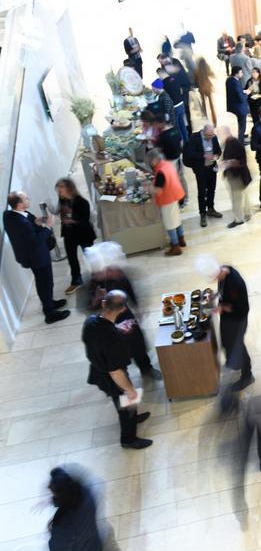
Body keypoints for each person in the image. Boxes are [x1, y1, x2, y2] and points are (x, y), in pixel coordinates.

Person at [82, 290, 153, 449]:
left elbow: (98, 340)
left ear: (103, 303)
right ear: (123, 309)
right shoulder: (112, 339)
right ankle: (128, 439)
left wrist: (117, 331)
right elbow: (116, 372)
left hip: (97, 369)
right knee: (126, 406)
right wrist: (129, 390)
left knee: (126, 404)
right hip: (111, 377)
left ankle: (133, 418)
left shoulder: (90, 321)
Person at [83, 251, 162, 380]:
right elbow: (86, 308)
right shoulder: (91, 284)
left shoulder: (117, 275)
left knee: (137, 344)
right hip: (105, 323)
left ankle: (146, 368)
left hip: (125, 316)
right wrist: (96, 299)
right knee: (115, 351)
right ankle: (122, 377)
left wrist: (138, 307)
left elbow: (130, 291)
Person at [4, 192, 70, 323]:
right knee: (45, 283)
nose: (28, 199)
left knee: (43, 283)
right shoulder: (21, 222)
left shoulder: (8, 215)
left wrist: (36, 222)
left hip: (31, 256)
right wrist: (47, 227)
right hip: (37, 257)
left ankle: (49, 303)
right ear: (19, 204)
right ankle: (50, 314)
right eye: (26, 199)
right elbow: (35, 241)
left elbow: (25, 230)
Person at [197, 257, 254, 391]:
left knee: (238, 346)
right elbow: (223, 288)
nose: (216, 280)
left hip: (238, 319)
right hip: (228, 317)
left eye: (214, 278)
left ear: (217, 273)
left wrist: (221, 308)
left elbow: (240, 308)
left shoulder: (236, 284)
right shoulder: (224, 269)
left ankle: (247, 375)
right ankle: (235, 363)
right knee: (226, 342)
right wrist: (216, 295)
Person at [53, 178, 96, 294]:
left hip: (84, 234)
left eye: (61, 187)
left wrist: (72, 221)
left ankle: (97, 279)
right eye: (58, 188)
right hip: (69, 235)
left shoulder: (81, 202)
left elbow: (85, 220)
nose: (59, 190)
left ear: (69, 188)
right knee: (72, 259)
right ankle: (76, 281)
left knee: (90, 257)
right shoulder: (62, 201)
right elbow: (62, 214)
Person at [46, 467, 102, 551]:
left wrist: (52, 530)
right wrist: (54, 500)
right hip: (93, 547)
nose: (48, 486)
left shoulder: (63, 526)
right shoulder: (86, 494)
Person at [183, 124, 222, 227]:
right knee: (202, 191)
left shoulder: (214, 138)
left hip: (212, 168)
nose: (210, 137)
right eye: (208, 135)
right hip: (201, 169)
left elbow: (218, 150)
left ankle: (211, 208)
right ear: (203, 132)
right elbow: (190, 154)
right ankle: (202, 214)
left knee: (211, 189)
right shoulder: (194, 138)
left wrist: (217, 155)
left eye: (212, 135)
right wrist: (203, 155)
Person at [148, 150, 185, 256]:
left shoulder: (160, 172)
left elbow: (158, 190)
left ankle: (175, 246)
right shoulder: (167, 164)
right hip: (177, 194)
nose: (150, 163)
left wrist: (148, 188)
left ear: (155, 160)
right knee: (177, 219)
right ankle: (181, 239)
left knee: (170, 223)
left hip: (168, 199)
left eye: (150, 161)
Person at [153, 112, 187, 208]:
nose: (155, 126)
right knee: (181, 178)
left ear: (161, 123)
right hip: (179, 158)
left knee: (173, 181)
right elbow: (181, 142)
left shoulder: (162, 136)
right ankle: (184, 199)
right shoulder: (174, 129)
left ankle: (179, 201)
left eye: (156, 124)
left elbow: (159, 151)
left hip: (170, 162)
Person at [221, 131, 252, 228]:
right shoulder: (227, 142)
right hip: (235, 175)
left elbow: (243, 161)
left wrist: (232, 163)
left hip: (238, 176)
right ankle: (247, 213)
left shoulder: (238, 145)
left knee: (236, 199)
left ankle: (238, 219)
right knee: (243, 195)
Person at [226, 67, 250, 144]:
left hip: (232, 106)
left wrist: (243, 91)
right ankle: (240, 141)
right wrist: (247, 94)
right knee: (242, 126)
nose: (242, 74)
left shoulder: (229, 80)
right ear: (237, 73)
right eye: (241, 72)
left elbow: (235, 92)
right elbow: (241, 98)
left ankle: (240, 137)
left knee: (237, 126)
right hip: (239, 108)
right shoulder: (236, 83)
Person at [194, 57, 217, 126]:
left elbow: (195, 78)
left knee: (203, 106)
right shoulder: (207, 68)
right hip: (208, 88)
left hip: (201, 89)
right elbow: (212, 75)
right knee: (211, 105)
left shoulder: (197, 70)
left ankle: (205, 120)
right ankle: (214, 121)